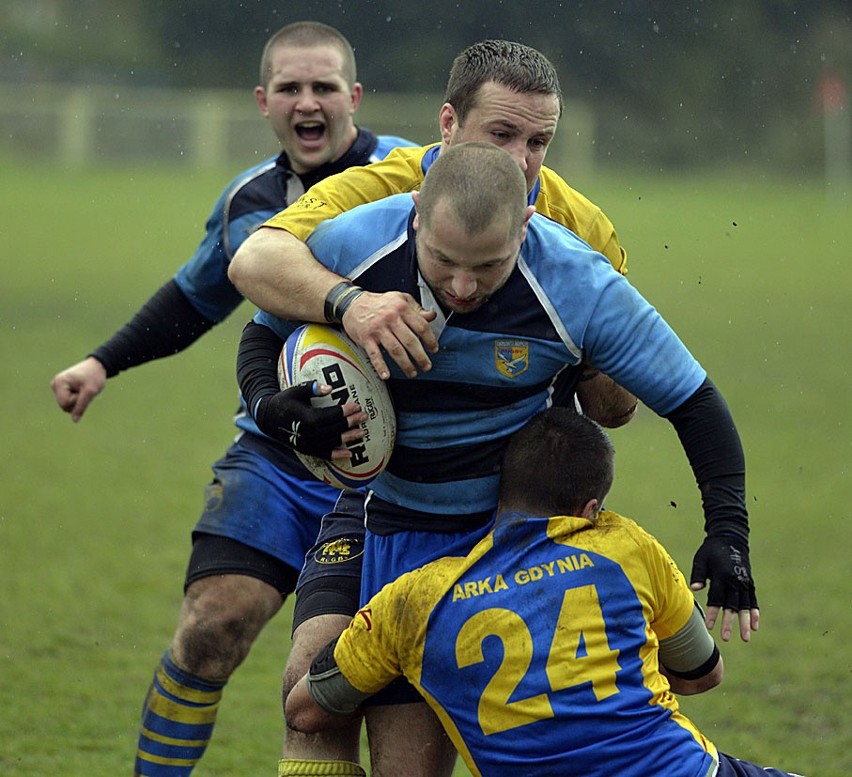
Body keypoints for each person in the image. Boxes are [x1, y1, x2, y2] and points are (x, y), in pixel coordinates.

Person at [237, 141, 759, 776]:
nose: (462, 286)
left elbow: (696, 402)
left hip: (507, 543)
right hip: (392, 520)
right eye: (444, 261)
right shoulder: (357, 243)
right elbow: (265, 330)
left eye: (488, 266)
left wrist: (728, 530)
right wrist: (276, 410)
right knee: (315, 704)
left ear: (528, 227)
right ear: (414, 215)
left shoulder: (578, 283)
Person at [49, 21, 415, 776]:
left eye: (322, 87)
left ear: (354, 96)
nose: (306, 101)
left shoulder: (413, 177)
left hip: (399, 466)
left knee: (376, 675)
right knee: (213, 626)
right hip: (278, 451)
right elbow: (193, 300)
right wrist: (101, 362)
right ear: (263, 100)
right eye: (290, 88)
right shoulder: (248, 199)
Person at [285, 408, 804, 777]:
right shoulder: (623, 545)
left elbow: (305, 712)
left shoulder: (413, 601)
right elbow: (702, 674)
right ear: (591, 508)